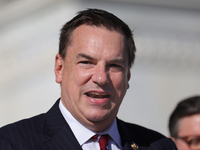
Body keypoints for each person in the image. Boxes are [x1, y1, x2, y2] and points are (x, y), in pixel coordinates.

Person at [0, 8, 177, 150]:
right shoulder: (12, 143)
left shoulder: (158, 145)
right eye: (86, 62)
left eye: (115, 65)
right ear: (59, 68)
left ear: (127, 76)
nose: (101, 78)